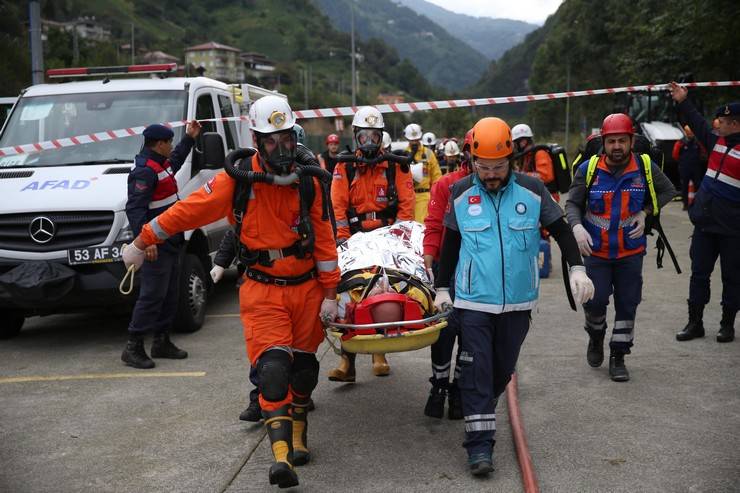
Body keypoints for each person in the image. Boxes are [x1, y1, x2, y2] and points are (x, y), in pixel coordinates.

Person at [122, 95, 340, 488]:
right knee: (272, 372)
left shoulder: (309, 180)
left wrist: (331, 293)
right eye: (270, 140)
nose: (281, 148)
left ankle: (298, 432)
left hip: (307, 290)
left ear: (294, 135)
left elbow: (325, 239)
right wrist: (142, 240)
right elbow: (185, 212)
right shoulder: (236, 181)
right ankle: (280, 459)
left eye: (286, 138)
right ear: (256, 139)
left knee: (303, 373)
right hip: (263, 290)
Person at [434, 117, 594, 476]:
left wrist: (576, 268)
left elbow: (561, 231)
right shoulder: (460, 192)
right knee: (478, 369)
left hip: (519, 303)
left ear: (512, 160)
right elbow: (451, 244)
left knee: (501, 371)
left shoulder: (533, 191)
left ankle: (474, 403)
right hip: (473, 301)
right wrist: (443, 288)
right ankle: (479, 447)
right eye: (484, 167)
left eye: (499, 167)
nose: (491, 174)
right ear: (472, 161)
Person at [566, 113, 675, 382]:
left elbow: (668, 190)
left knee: (628, 304)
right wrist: (576, 227)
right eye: (612, 141)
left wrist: (647, 211)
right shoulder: (589, 170)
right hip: (596, 252)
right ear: (604, 142)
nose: (617, 146)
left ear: (631, 140)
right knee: (595, 300)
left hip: (631, 252)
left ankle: (618, 354)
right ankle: (596, 335)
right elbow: (572, 203)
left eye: (622, 141)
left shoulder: (645, 167)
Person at [328, 106, 415, 381]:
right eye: (363, 136)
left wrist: (399, 240)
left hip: (387, 238)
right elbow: (337, 205)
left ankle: (380, 352)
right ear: (356, 136)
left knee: (381, 290)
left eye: (374, 137)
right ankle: (347, 361)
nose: (369, 142)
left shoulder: (395, 165)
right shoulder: (345, 165)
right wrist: (342, 241)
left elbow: (407, 205)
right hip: (354, 239)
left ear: (381, 137)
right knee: (348, 294)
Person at [121, 120, 201, 369]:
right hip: (156, 243)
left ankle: (161, 341)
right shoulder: (144, 171)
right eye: (170, 142)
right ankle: (133, 347)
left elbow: (175, 160)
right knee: (152, 296)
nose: (172, 146)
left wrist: (189, 138)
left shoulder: (161, 163)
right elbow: (135, 209)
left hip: (170, 239)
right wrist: (145, 242)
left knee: (169, 294)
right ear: (160, 144)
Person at [670, 82, 740, 343]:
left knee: (732, 277)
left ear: (734, 123)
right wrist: (683, 100)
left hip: (732, 229)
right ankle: (694, 322)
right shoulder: (716, 142)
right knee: (699, 274)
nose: (716, 124)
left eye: (721, 121)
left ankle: (727, 325)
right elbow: (697, 122)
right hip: (705, 225)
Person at [421, 129, 473, 420]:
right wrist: (429, 263)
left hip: (481, 272)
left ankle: (459, 389)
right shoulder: (446, 185)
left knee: (471, 333)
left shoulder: (498, 185)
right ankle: (438, 386)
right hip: (447, 269)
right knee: (443, 331)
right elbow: (433, 226)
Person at [405, 123, 442, 223]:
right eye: (412, 140)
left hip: (424, 197)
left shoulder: (428, 153)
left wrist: (436, 196)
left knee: (422, 226)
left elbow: (437, 176)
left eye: (416, 139)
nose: (414, 142)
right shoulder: (403, 154)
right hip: (407, 198)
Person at [672, 125, 707, 210]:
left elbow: (703, 153)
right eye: (688, 133)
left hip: (696, 167)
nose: (690, 135)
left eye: (691, 133)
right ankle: (685, 204)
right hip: (685, 168)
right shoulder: (680, 142)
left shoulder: (698, 142)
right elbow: (675, 155)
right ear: (685, 132)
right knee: (684, 186)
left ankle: (698, 203)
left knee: (698, 185)